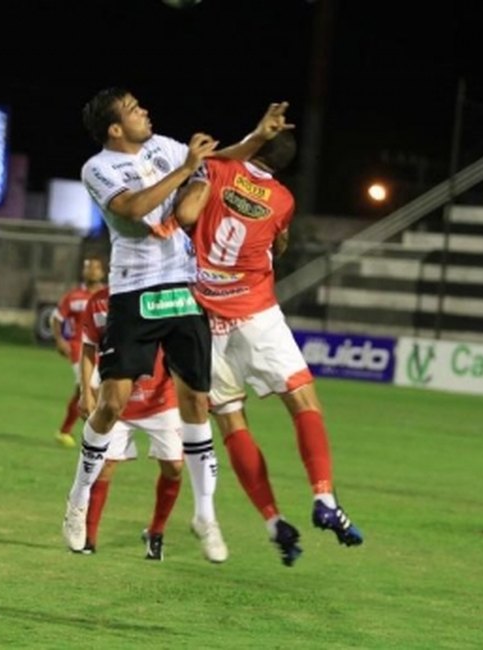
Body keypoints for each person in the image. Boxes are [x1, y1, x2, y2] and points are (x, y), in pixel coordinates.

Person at [61, 86, 291, 562]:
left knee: (197, 401)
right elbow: (131, 208)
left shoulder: (162, 146)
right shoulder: (98, 168)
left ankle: (206, 516)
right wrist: (186, 171)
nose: (144, 111)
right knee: (112, 402)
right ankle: (79, 495)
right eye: (133, 110)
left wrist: (257, 136)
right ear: (115, 128)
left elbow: (219, 160)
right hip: (134, 290)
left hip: (184, 286)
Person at [174, 131, 363, 567]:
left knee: (232, 423)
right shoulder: (282, 200)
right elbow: (279, 243)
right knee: (303, 402)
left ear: (253, 145)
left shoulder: (218, 169)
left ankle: (273, 521)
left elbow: (188, 212)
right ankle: (324, 497)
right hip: (257, 316)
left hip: (207, 321)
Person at [75, 287, 184, 559]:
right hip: (116, 400)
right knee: (104, 466)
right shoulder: (99, 302)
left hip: (161, 399)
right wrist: (85, 392)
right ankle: (88, 538)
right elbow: (88, 346)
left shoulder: (162, 296)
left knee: (174, 466)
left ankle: (156, 532)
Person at [51, 254, 107, 448]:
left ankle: (65, 431)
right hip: (79, 348)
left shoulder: (108, 295)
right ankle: (96, 436)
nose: (91, 271)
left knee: (84, 391)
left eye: (95, 267)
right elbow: (57, 318)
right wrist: (60, 340)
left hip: (102, 350)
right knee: (89, 387)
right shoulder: (73, 296)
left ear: (102, 272)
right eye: (87, 267)